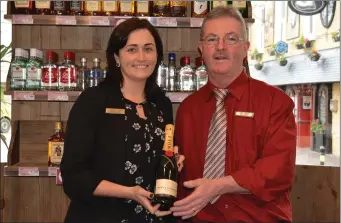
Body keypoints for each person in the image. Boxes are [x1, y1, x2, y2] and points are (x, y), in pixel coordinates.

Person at [171, 6, 297, 223]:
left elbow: (278, 172)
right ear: (201, 48)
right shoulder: (188, 109)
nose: (220, 47)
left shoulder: (275, 102)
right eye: (211, 39)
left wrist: (218, 186)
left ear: (246, 48)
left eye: (231, 39)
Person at [60, 18, 184, 223]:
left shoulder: (161, 104)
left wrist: (173, 160)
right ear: (116, 56)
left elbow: (160, 158)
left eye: (148, 48)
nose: (141, 57)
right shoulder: (93, 101)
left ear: (157, 55)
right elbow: (74, 177)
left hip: (152, 216)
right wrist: (129, 192)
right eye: (132, 49)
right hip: (100, 216)